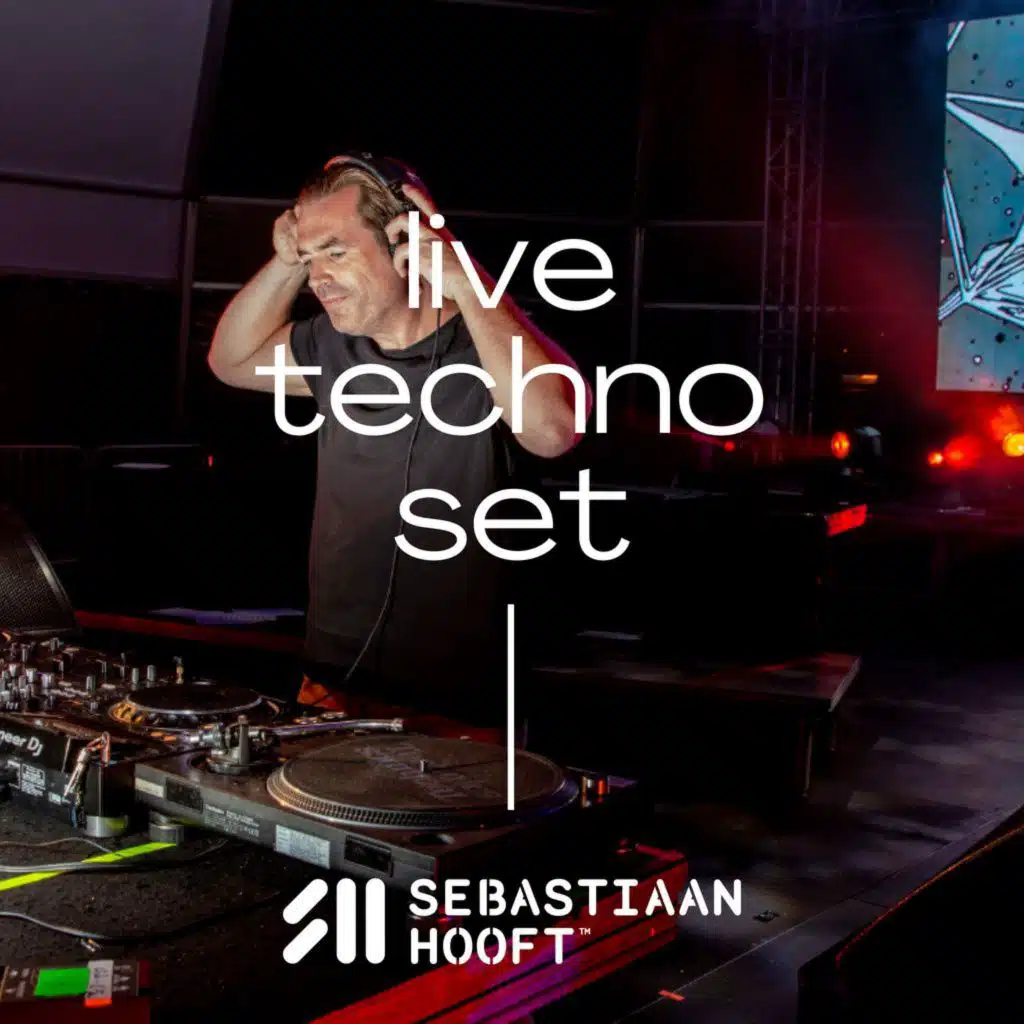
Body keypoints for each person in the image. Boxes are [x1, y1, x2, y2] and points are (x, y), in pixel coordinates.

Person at [207, 156, 589, 732]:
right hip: (330, 684)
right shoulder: (332, 346)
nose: (318, 279)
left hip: (455, 704)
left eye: (336, 252)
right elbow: (229, 360)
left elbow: (553, 431)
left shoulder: (491, 341)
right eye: (310, 260)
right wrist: (285, 263)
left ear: (404, 242)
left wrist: (464, 280)